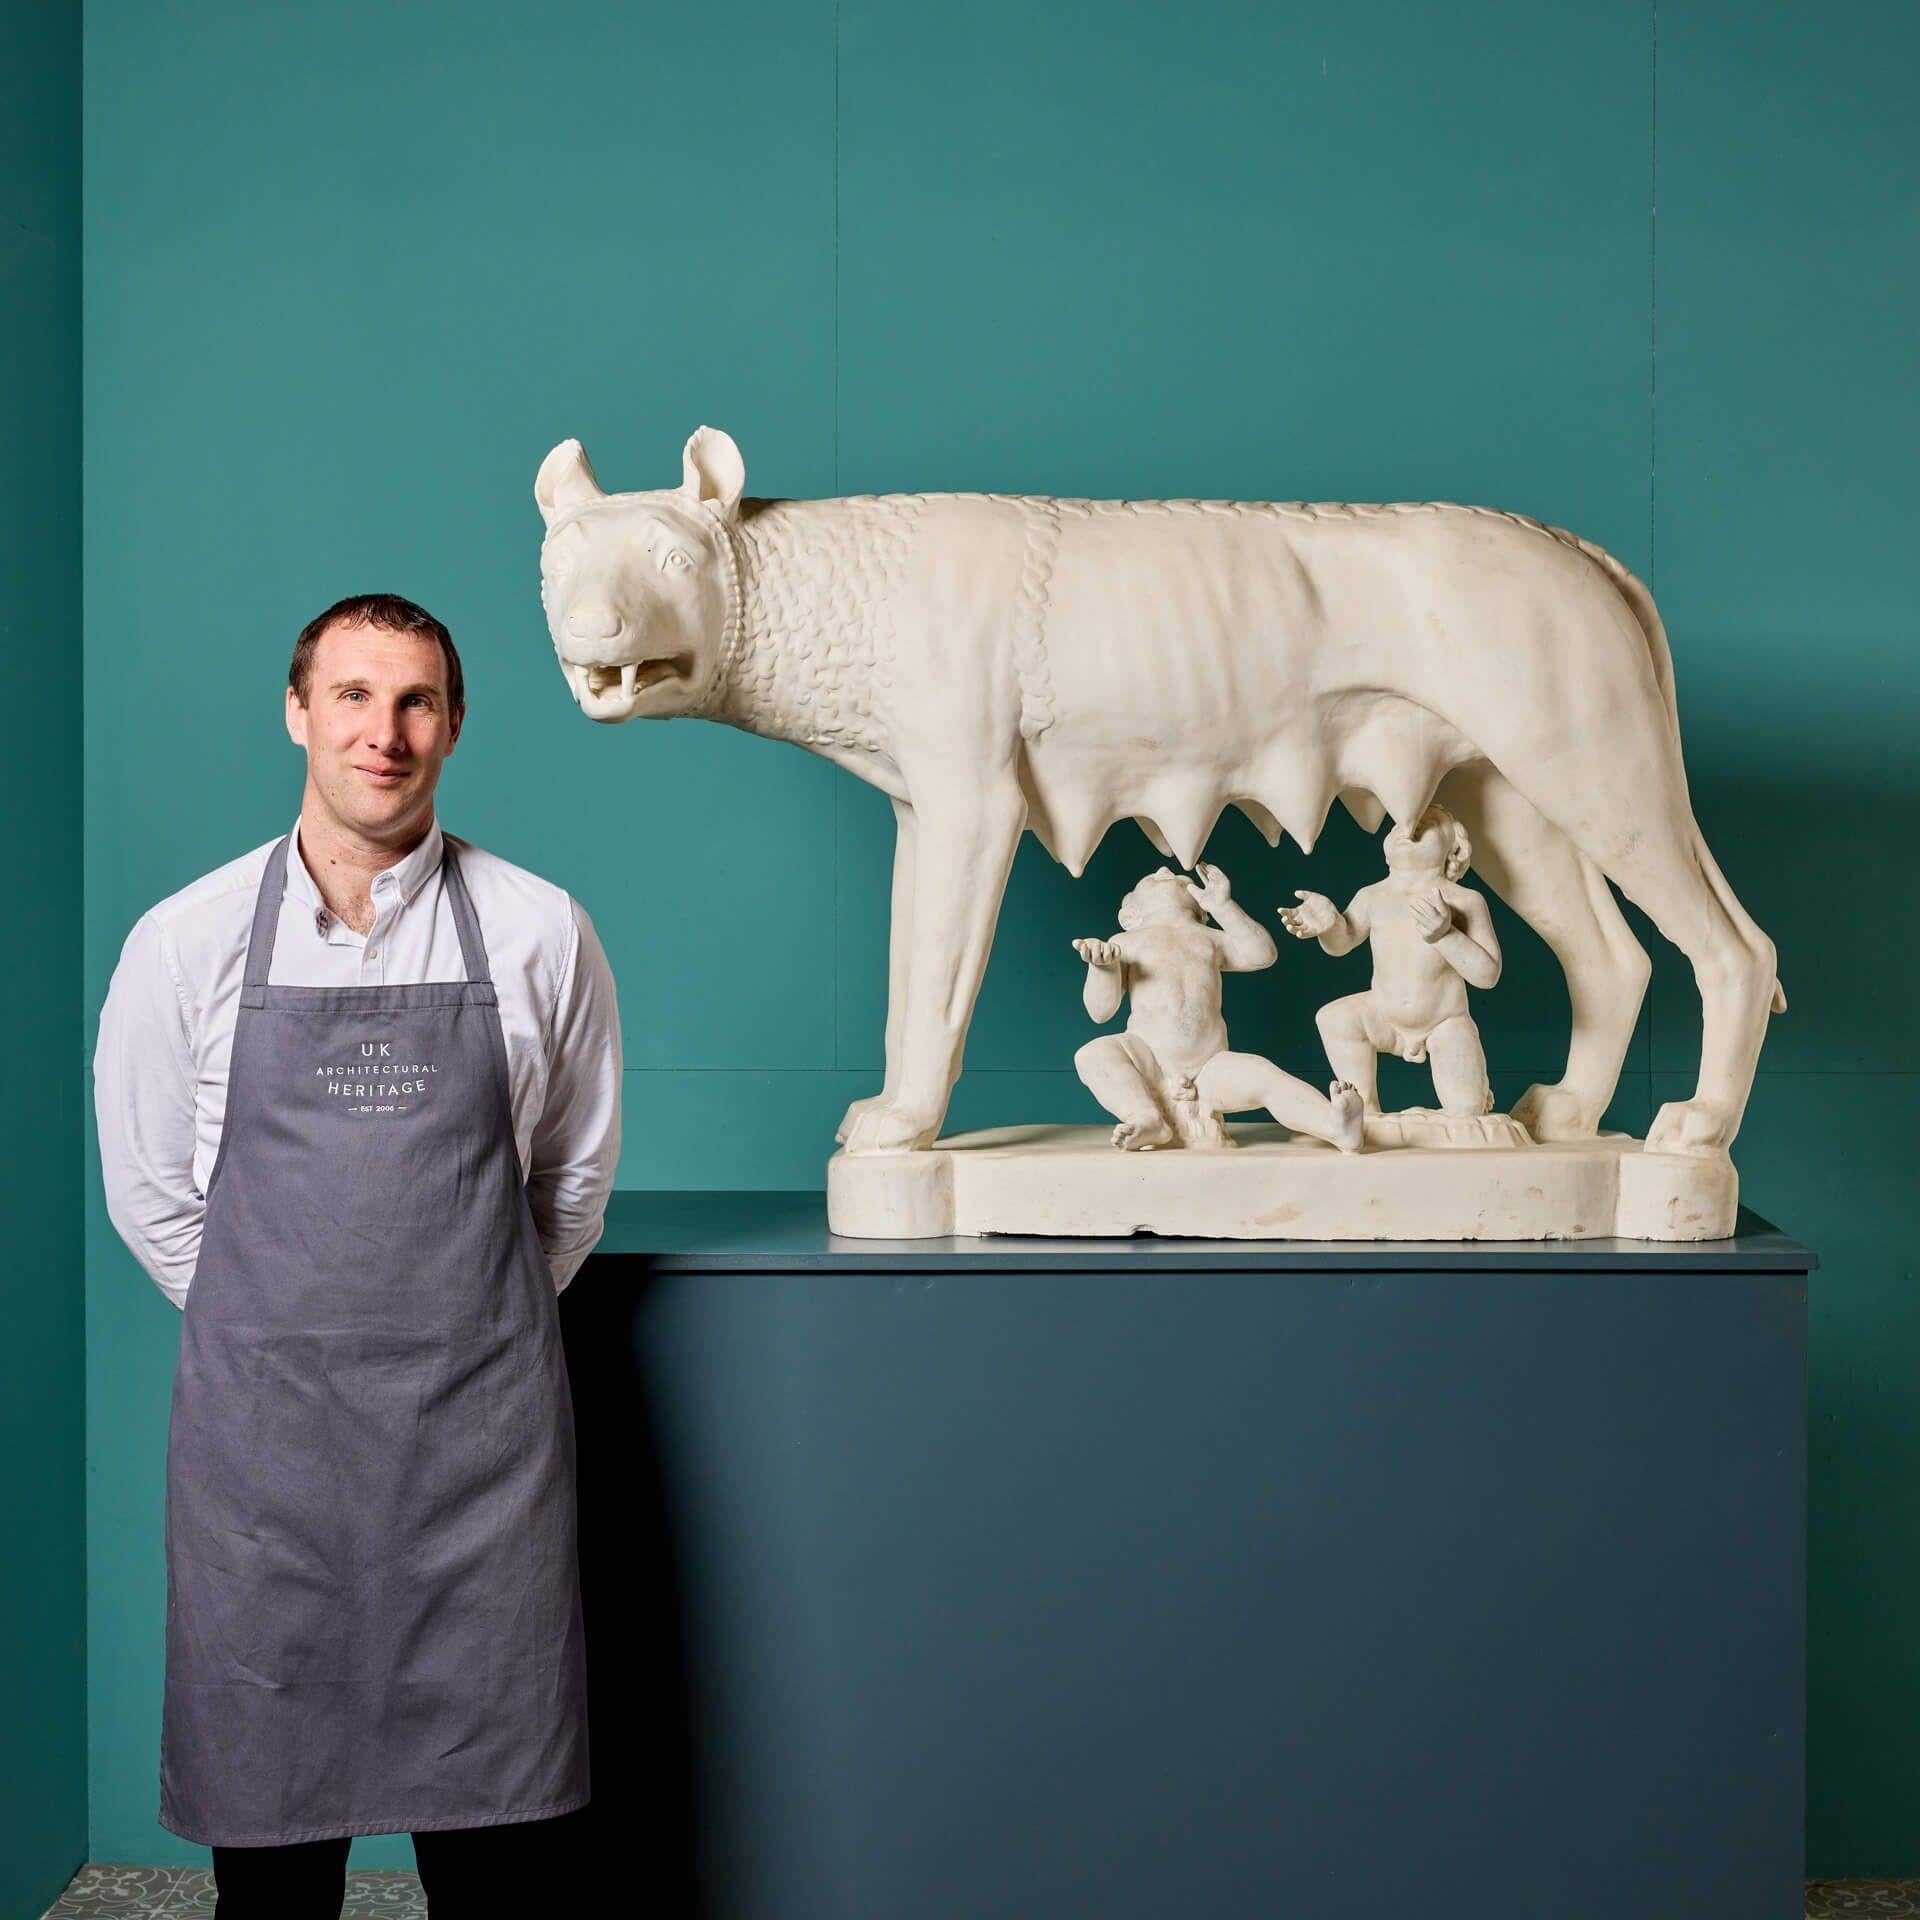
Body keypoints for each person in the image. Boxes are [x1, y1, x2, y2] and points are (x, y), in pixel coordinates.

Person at [94, 594, 622, 1917]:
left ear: (452, 727)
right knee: (271, 1863)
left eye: (416, 702)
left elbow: (569, 1190)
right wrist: (278, 1331)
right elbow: (155, 1198)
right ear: (298, 713)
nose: (382, 734)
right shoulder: (186, 942)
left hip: (481, 1467)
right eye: (352, 697)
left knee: (503, 1856)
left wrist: (465, 1329)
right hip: (265, 1471)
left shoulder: (540, 929)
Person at [1072, 862, 1365, 1152]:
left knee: (1264, 1075)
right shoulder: (1125, 941)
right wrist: (1103, 968)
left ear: (1202, 911)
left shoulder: (1211, 937)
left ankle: (1334, 1126)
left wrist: (1223, 906)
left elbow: (1262, 954)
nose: (1164, 870)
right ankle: (1145, 1117)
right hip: (1147, 1059)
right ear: (1129, 915)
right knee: (1092, 1055)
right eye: (1151, 877)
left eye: (1176, 876)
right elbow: (1101, 1011)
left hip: (1210, 1066)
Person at [1278, 803, 1502, 1116]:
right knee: (1335, 1018)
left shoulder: (1464, 900)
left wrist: (1446, 935)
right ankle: (1363, 1111)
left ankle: (1474, 1096)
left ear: (1455, 850)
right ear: (1386, 849)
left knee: (1468, 1112)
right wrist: (1329, 926)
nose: (1409, 828)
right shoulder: (1373, 896)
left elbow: (1487, 974)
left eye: (1428, 823)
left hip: (1444, 1021)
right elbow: (1341, 944)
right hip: (1384, 1014)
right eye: (1400, 825)